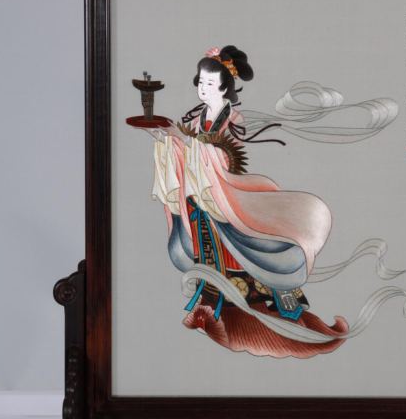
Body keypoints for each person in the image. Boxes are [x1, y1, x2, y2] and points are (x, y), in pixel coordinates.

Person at [135, 45, 350, 358]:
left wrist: (186, 143)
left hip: (226, 194)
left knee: (254, 244)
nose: (202, 88)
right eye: (200, 82)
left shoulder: (232, 120)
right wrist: (166, 142)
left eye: (209, 83)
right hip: (202, 197)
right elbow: (186, 150)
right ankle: (216, 304)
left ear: (224, 88)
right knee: (209, 251)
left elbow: (223, 159)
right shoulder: (196, 118)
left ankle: (281, 307)